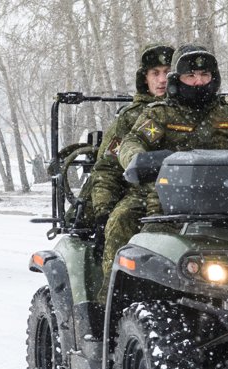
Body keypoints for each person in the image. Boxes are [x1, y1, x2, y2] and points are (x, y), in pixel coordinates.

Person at [98, 44, 228, 303]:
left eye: (205, 75)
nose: (199, 82)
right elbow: (132, 142)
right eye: (191, 76)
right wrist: (138, 160)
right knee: (121, 219)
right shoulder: (161, 115)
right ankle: (112, 300)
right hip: (164, 196)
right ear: (178, 79)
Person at [89, 43, 174, 301]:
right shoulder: (131, 118)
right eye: (155, 73)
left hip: (193, 196)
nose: (161, 80)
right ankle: (111, 302)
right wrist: (103, 211)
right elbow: (107, 169)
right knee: (120, 221)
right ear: (144, 78)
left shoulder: (198, 111)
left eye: (168, 73)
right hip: (141, 194)